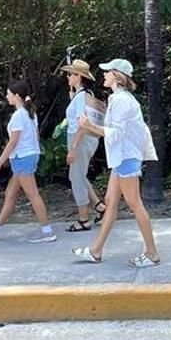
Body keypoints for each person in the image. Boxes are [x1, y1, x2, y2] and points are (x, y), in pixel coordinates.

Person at [72, 59, 161, 267]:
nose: (103, 75)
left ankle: (152, 253)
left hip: (126, 158)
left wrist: (89, 126)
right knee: (111, 204)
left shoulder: (121, 100)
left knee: (135, 204)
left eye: (107, 72)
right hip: (122, 158)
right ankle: (95, 251)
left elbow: (117, 134)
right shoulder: (118, 99)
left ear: (117, 76)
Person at [0, 80, 56, 244]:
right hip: (26, 157)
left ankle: (47, 231)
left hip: (22, 158)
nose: (6, 97)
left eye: (8, 94)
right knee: (10, 194)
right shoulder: (29, 113)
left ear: (17, 96)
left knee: (32, 194)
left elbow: (13, 142)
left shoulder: (20, 115)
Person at [60, 60, 105, 231]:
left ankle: (84, 218)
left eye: (70, 74)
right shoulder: (86, 94)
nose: (68, 77)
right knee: (78, 175)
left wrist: (73, 148)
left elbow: (81, 124)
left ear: (78, 77)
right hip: (87, 139)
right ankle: (99, 206)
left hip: (80, 139)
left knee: (77, 178)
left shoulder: (80, 98)